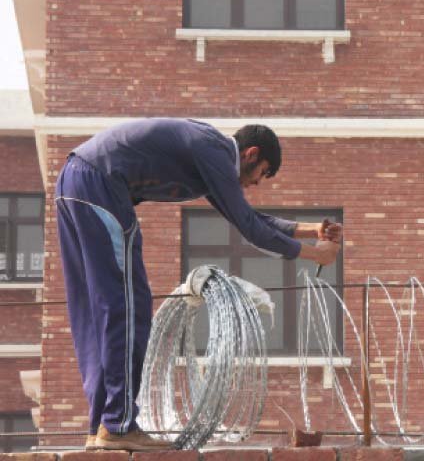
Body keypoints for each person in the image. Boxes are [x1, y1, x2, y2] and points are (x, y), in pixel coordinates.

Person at [54, 119, 341, 451]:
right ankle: (118, 425)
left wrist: (312, 230)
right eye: (260, 174)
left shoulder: (209, 154)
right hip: (101, 186)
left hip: (74, 182)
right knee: (127, 307)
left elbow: (248, 217)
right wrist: (314, 255)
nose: (255, 184)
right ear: (250, 154)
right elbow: (249, 227)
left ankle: (102, 427)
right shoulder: (215, 151)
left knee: (95, 312)